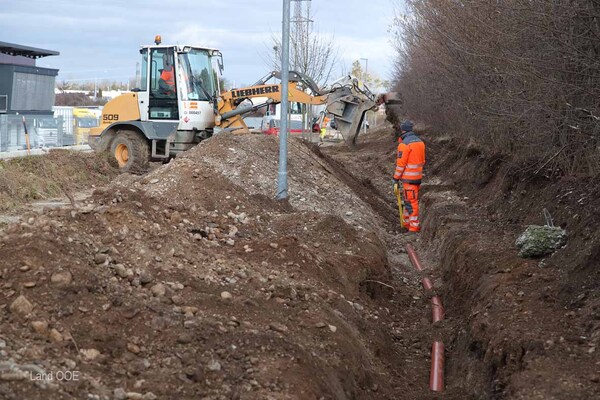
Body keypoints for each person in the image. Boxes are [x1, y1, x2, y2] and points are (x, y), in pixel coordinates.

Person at [392, 120, 425, 233]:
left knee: (411, 203)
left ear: (402, 130)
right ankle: (407, 223)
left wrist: (395, 178)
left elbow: (401, 165)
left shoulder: (404, 144)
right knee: (408, 201)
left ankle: (413, 228)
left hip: (409, 179)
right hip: (417, 178)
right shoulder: (420, 142)